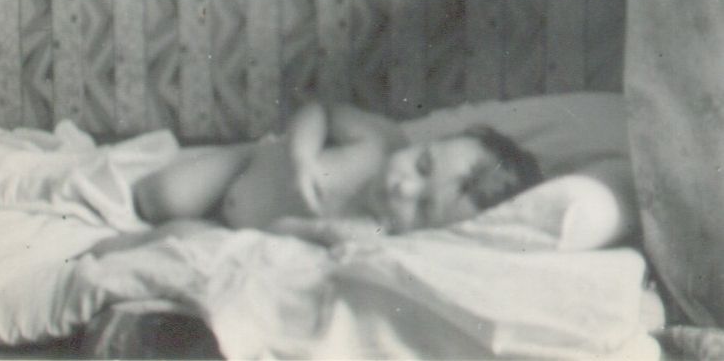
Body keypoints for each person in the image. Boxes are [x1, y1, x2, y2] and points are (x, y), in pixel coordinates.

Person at [88, 101, 542, 256]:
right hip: (247, 169)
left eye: (422, 207)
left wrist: (318, 231)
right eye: (423, 166)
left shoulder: (373, 234)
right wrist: (301, 157)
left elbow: (282, 235)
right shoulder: (380, 142)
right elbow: (319, 111)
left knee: (182, 241)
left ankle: (110, 248)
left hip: (239, 229)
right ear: (428, 143)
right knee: (158, 197)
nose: (403, 187)